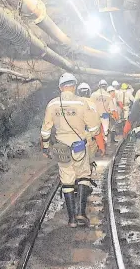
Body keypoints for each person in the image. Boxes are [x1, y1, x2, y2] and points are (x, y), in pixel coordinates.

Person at [41, 73, 102, 227]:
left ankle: (72, 219)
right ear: (74, 86)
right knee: (83, 175)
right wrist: (90, 134)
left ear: (60, 87)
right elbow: (95, 128)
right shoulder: (82, 103)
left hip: (61, 148)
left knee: (67, 179)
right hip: (79, 147)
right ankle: (81, 212)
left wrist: (46, 146)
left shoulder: (52, 104)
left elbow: (46, 130)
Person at [77, 82, 105, 169]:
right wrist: (101, 145)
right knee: (88, 161)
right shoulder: (92, 104)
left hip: (74, 135)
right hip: (89, 136)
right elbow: (96, 125)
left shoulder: (73, 103)